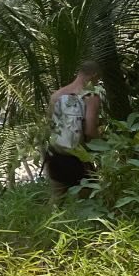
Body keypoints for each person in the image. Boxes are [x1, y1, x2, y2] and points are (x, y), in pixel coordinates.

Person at [46, 60, 102, 198]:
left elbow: (50, 127)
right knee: (89, 200)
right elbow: (90, 131)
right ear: (94, 75)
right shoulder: (91, 97)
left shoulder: (56, 96)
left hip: (56, 156)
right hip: (78, 158)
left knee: (57, 200)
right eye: (98, 79)